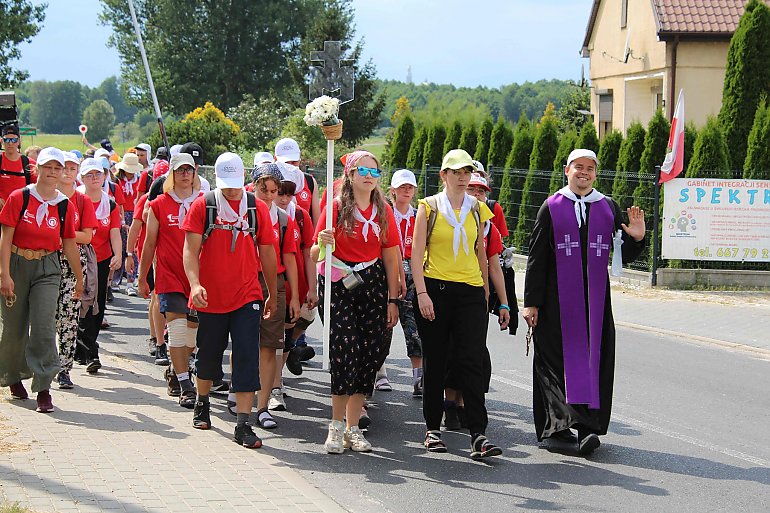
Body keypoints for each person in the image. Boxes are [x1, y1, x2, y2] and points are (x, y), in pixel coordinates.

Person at [523, 148, 645, 455]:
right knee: (553, 363)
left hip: (595, 305)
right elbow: (537, 257)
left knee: (594, 361)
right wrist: (531, 302)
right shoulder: (552, 206)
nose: (584, 173)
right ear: (567, 170)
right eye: (579, 167)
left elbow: (621, 254)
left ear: (595, 173)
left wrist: (638, 238)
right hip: (554, 303)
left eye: (590, 168)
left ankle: (588, 429)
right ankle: (557, 427)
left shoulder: (607, 207)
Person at [410, 149, 503, 460]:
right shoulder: (428, 207)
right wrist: (422, 294)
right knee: (436, 361)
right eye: (456, 172)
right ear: (444, 175)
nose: (462, 177)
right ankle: (432, 429)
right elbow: (416, 254)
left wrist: (485, 292)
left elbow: (481, 252)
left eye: (466, 171)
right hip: (435, 289)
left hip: (470, 292)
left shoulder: (479, 209)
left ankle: (478, 433)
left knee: (471, 361)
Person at [181, 152, 278, 448]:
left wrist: (270, 291)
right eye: (227, 184)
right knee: (209, 352)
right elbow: (189, 250)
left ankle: (243, 424)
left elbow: (268, 252)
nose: (232, 190)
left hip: (247, 295)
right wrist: (195, 284)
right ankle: (203, 402)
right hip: (210, 296)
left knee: (247, 355)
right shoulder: (204, 205)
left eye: (236, 183)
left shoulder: (256, 208)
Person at [311, 150, 400, 454]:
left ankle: (353, 428)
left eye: (374, 172)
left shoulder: (384, 210)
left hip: (373, 282)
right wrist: (321, 243)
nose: (368, 176)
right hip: (339, 281)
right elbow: (314, 254)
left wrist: (392, 298)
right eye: (362, 170)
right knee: (345, 349)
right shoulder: (335, 208)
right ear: (349, 175)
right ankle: (335, 427)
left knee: (370, 353)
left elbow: (390, 255)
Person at [0, 147, 83, 413]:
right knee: (13, 329)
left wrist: (80, 278)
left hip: (48, 266)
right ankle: (13, 376)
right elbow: (6, 237)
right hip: (16, 262)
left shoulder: (64, 205)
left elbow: (69, 244)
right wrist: (4, 273)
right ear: (38, 169)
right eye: (48, 167)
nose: (52, 172)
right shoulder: (19, 197)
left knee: (45, 325)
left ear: (63, 173)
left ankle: (44, 387)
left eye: (58, 168)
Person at [138, 153, 202, 409]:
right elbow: (149, 243)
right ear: (172, 175)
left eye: (189, 170)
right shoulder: (158, 205)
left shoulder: (204, 203)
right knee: (176, 330)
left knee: (192, 335)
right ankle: (187, 384)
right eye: (180, 170)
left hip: (198, 279)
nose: (185, 174)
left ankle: (177, 371)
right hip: (169, 276)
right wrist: (143, 277)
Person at [250, 164, 300, 422]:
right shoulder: (243, 214)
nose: (269, 196)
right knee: (245, 341)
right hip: (246, 281)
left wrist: (294, 296)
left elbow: (290, 258)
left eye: (274, 190)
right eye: (263, 189)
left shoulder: (283, 219)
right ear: (253, 187)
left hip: (275, 284)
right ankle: (241, 395)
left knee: (270, 345)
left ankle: (262, 405)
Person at [54, 151, 97, 389]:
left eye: (72, 168)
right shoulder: (47, 197)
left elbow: (87, 236)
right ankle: (46, 363)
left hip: (74, 262)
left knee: (69, 317)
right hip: (48, 259)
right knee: (47, 315)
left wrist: (63, 238)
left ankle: (64, 369)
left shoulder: (82, 201)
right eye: (64, 168)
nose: (68, 173)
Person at [76, 158, 122, 373]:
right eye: (89, 175)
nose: (94, 178)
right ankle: (89, 350)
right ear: (82, 178)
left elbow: (114, 232)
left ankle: (86, 347)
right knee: (81, 302)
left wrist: (119, 254)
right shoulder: (74, 199)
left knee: (97, 303)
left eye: (98, 174)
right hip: (77, 257)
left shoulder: (109, 203)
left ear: (104, 177)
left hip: (101, 260)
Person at [387, 169, 424, 397]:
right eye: (402, 187)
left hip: (412, 276)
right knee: (383, 327)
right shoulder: (385, 214)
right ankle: (377, 374)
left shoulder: (419, 215)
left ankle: (418, 377)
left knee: (414, 329)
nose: (407, 190)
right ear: (393, 190)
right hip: (388, 274)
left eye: (410, 187)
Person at [115, 153, 144, 296]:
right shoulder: (117, 181)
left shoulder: (140, 181)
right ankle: (116, 278)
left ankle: (131, 281)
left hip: (135, 215)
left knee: (133, 249)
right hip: (121, 215)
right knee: (120, 247)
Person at [274, 138, 320, 222]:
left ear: (299, 160)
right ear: (275, 159)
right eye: (286, 162)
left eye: (294, 162)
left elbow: (316, 219)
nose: (290, 166)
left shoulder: (310, 181)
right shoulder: (271, 181)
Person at [0, 125, 36, 210]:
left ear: (19, 141)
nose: (10, 143)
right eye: (7, 140)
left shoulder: (29, 164)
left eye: (14, 140)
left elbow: (40, 187)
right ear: (2, 141)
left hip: (23, 212)